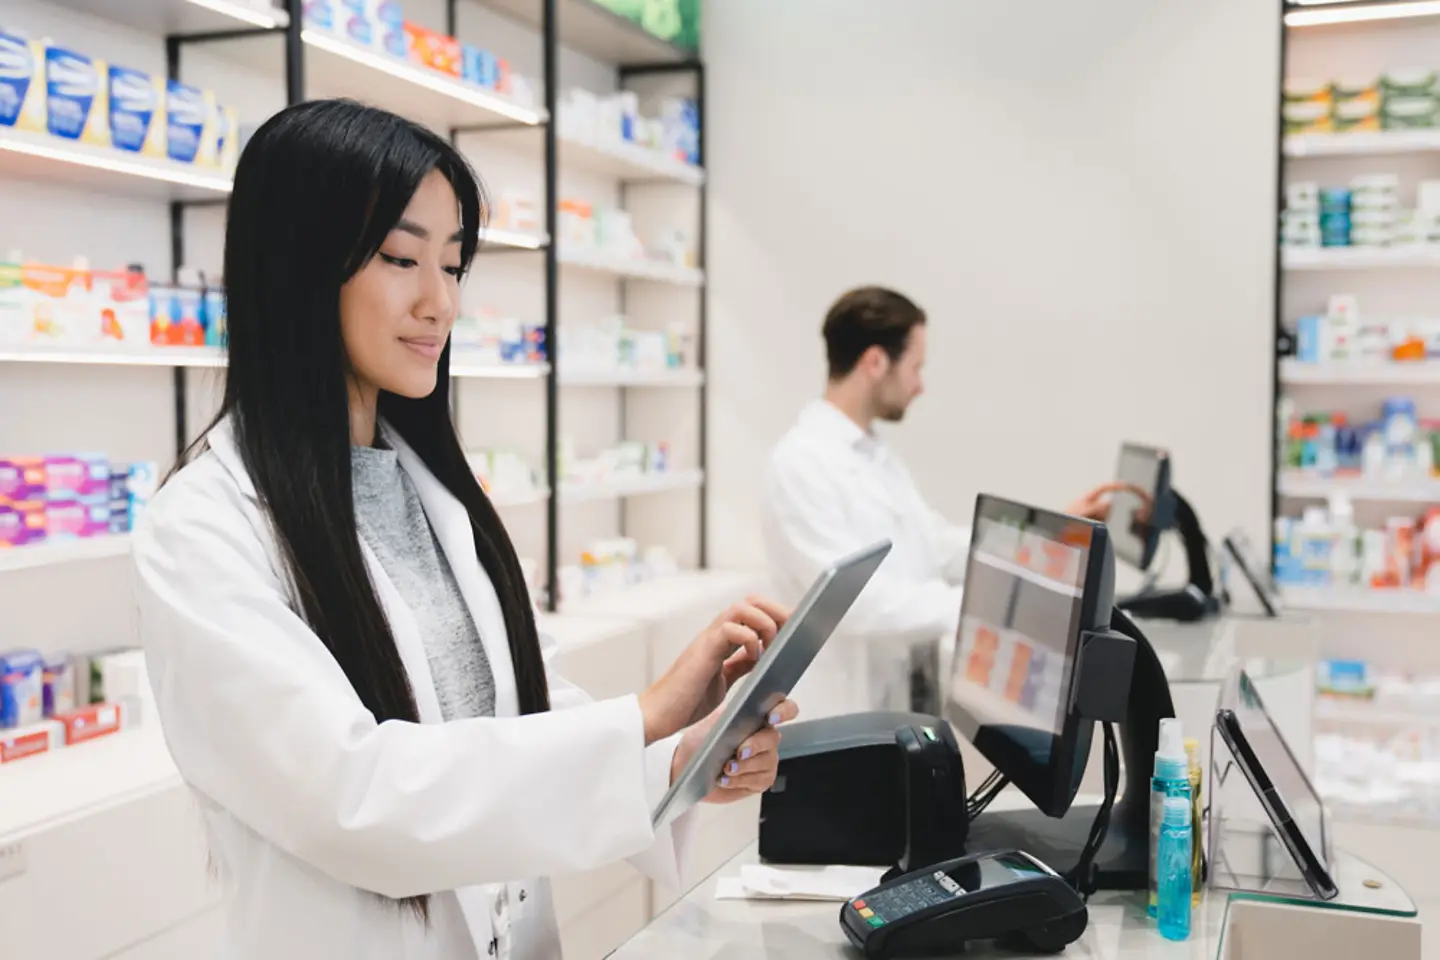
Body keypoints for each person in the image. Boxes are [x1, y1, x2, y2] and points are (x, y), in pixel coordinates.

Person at [131, 99, 798, 960]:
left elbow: (517, 708)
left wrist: (677, 756)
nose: (439, 302)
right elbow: (353, 798)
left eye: (454, 264)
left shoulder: (432, 487)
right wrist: (644, 712)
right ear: (297, 267)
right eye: (403, 258)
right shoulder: (203, 528)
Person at [762, 286, 1130, 718]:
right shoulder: (799, 464)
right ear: (876, 362)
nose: (919, 385)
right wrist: (976, 603)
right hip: (835, 716)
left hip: (896, 703)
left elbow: (934, 546)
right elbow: (852, 603)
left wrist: (1052, 533)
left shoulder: (874, 455)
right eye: (915, 367)